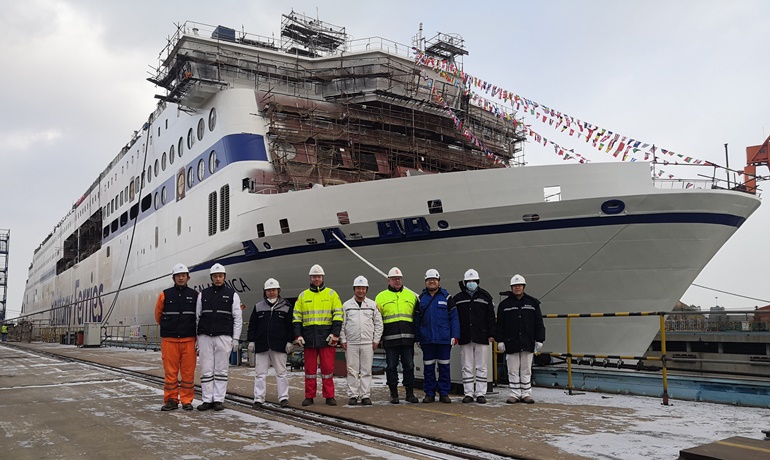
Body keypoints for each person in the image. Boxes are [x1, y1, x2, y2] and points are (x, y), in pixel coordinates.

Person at [293, 264, 343, 406]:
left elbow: (338, 315)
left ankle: (329, 396)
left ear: (322, 278)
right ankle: (309, 396)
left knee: (328, 369)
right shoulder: (303, 296)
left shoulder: (332, 294)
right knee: (310, 370)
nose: (317, 279)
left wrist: (335, 334)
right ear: (310, 278)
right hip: (309, 338)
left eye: (319, 276)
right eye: (314, 277)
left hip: (327, 338)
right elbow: (296, 318)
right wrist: (298, 336)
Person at [196, 263, 243, 411]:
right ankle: (207, 399)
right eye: (215, 276)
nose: (218, 279)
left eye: (220, 276)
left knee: (221, 369)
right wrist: (197, 339)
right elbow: (197, 317)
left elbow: (238, 318)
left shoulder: (232, 295)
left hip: (224, 336)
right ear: (211, 278)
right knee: (206, 369)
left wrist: (235, 338)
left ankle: (218, 399)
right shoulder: (203, 294)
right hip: (205, 336)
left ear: (224, 277)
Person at [495, 274, 546, 404]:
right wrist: (499, 340)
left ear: (523, 287)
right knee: (512, 369)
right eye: (515, 286)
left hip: (527, 341)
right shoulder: (504, 305)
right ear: (511, 287)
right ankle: (514, 394)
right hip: (511, 342)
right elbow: (500, 324)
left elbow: (538, 323)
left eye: (519, 285)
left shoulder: (533, 303)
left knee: (526, 369)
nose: (517, 288)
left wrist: (540, 339)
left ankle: (526, 394)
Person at [154, 263, 198, 411]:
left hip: (188, 340)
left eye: (183, 276)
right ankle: (171, 400)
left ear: (188, 278)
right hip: (170, 340)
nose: (181, 278)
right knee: (170, 373)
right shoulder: (165, 295)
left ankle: (187, 400)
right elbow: (158, 315)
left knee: (188, 372)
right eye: (178, 276)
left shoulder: (195, 295)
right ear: (173, 278)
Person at [374, 267, 419, 404]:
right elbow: (377, 319)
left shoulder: (411, 296)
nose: (397, 281)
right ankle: (394, 394)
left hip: (407, 339)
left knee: (409, 366)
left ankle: (409, 393)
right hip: (390, 340)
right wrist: (379, 338)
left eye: (399, 278)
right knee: (391, 366)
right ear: (389, 280)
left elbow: (416, 318)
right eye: (394, 279)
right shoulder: (380, 297)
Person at [247, 278, 293, 409]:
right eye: (269, 290)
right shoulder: (258, 307)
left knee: (281, 373)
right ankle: (258, 398)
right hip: (262, 345)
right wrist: (251, 340)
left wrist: (290, 341)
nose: (271, 292)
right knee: (260, 374)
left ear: (278, 291)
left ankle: (283, 397)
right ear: (265, 292)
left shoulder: (286, 307)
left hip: (279, 345)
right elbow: (253, 325)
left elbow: (290, 326)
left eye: (274, 290)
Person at [415, 269, 460, 404]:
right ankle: (429, 393)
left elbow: (454, 318)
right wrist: (417, 337)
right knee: (428, 368)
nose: (432, 282)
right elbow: (416, 320)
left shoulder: (447, 298)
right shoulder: (420, 299)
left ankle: (444, 393)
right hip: (427, 339)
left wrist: (455, 335)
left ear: (439, 281)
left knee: (444, 367)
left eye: (434, 279)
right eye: (429, 280)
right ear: (425, 282)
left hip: (444, 340)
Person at [454, 269, 496, 404]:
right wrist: (455, 335)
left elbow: (490, 317)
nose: (471, 283)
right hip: (465, 336)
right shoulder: (458, 298)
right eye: (469, 281)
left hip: (481, 336)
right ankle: (468, 393)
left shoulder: (485, 297)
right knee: (466, 366)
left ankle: (480, 393)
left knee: (481, 366)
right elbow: (455, 319)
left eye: (473, 281)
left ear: (477, 282)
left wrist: (491, 334)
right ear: (465, 282)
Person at [340, 276, 383, 406]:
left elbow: (378, 323)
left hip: (367, 343)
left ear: (366, 289)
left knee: (366, 370)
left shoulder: (372, 305)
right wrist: (343, 339)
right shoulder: (346, 306)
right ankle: (353, 395)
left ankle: (365, 395)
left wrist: (376, 340)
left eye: (363, 288)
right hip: (351, 343)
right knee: (352, 370)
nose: (360, 291)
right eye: (358, 288)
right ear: (354, 289)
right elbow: (342, 324)